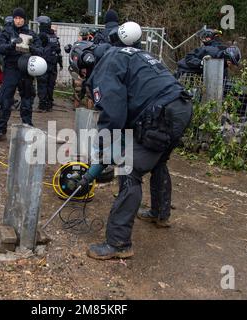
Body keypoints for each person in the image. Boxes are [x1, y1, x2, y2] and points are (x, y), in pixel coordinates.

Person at [72, 22, 193, 260]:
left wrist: (103, 151)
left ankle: (118, 243)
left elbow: (114, 116)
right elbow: (130, 106)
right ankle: (160, 213)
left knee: (129, 169)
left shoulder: (105, 65)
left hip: (161, 113)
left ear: (84, 64)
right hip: (181, 107)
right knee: (157, 162)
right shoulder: (129, 53)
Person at [0, 7, 43, 142]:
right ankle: (1, 131)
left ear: (24, 19)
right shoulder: (7, 32)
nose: (18, 21)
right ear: (13, 19)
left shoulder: (31, 33)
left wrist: (30, 47)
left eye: (20, 18)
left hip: (25, 70)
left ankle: (28, 129)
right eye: (16, 18)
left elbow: (41, 50)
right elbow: (0, 47)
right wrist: (12, 45)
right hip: (11, 69)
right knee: (5, 100)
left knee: (27, 100)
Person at [36, 16, 62, 112]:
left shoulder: (42, 36)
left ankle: (43, 104)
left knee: (43, 84)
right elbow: (58, 51)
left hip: (43, 64)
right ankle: (49, 104)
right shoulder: (54, 36)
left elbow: (37, 48)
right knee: (50, 85)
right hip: (53, 64)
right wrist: (60, 62)